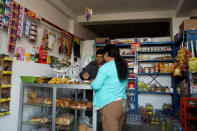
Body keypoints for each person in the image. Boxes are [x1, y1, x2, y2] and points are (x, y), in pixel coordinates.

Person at [91, 44, 128, 131]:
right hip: (122, 104)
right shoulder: (122, 66)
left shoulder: (105, 67)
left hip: (110, 106)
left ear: (107, 54)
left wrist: (92, 82)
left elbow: (96, 86)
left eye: (104, 54)